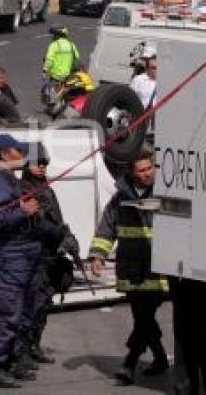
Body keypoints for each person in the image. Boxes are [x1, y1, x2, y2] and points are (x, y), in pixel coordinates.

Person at [89, 149, 168, 386]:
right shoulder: (120, 198)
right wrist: (98, 256)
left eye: (149, 168)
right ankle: (161, 359)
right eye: (141, 170)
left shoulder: (166, 192)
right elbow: (107, 228)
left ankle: (129, 363)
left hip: (158, 267)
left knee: (144, 317)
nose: (147, 174)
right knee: (142, 317)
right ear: (131, 174)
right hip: (132, 267)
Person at [0, 134, 41, 388]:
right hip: (8, 256)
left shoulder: (10, 180)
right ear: (5, 154)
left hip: (23, 256)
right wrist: (22, 212)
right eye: (19, 151)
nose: (24, 155)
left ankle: (12, 360)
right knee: (6, 312)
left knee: (23, 311)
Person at [20, 143, 78, 365]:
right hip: (36, 254)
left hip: (50, 253)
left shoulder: (46, 187)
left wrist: (67, 236)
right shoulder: (25, 189)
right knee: (34, 304)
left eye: (45, 163)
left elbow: (56, 218)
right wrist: (60, 234)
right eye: (38, 163)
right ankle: (24, 349)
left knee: (44, 304)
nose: (42, 166)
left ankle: (34, 346)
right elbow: (38, 223)